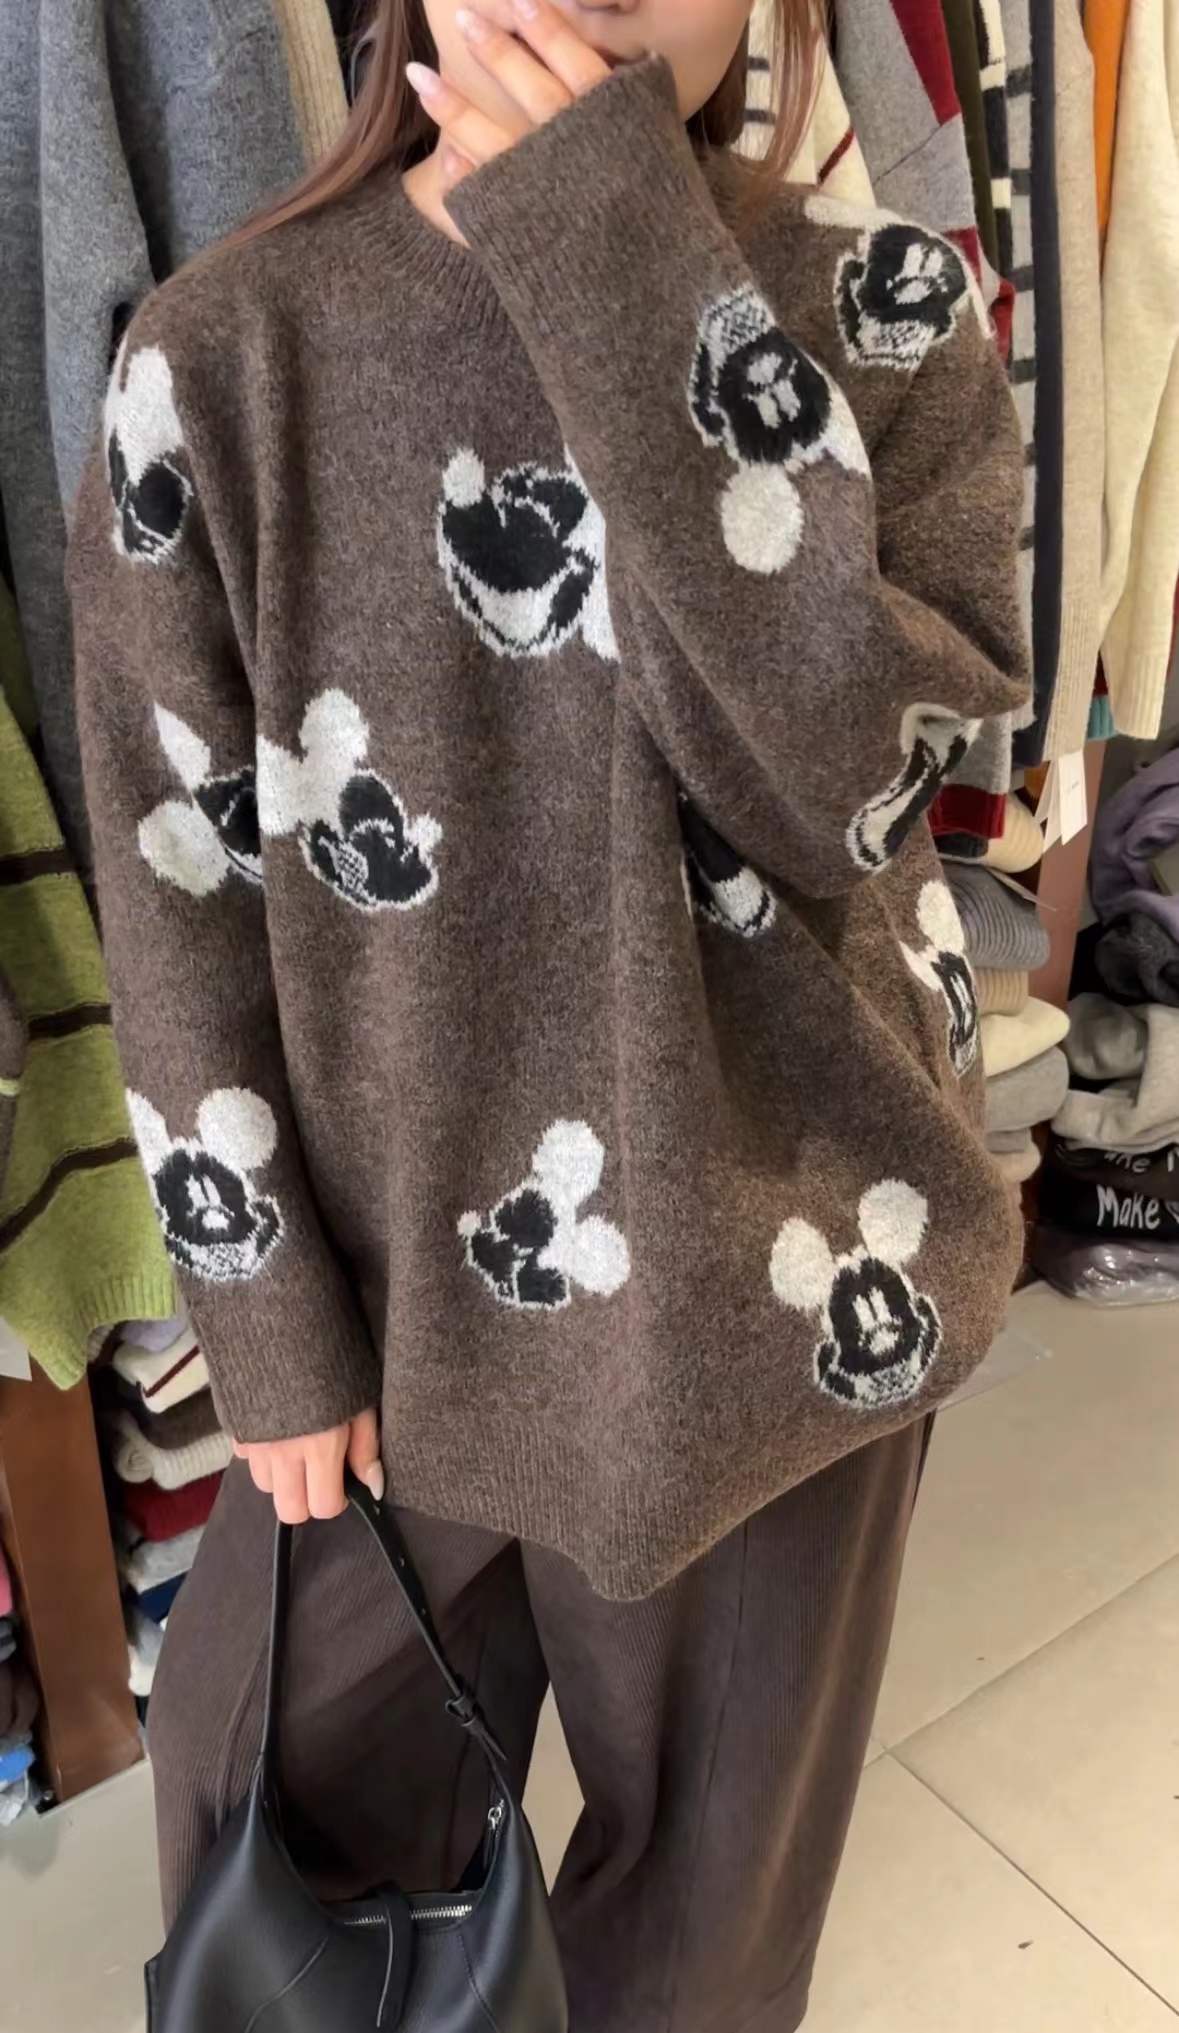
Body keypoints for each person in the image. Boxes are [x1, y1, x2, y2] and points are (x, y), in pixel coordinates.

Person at [69, 1, 1028, 2024]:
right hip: (391, 1293)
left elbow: (845, 793)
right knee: (268, 1844)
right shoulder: (222, 354)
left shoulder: (879, 303)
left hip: (782, 1287)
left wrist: (627, 271)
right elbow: (177, 896)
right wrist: (263, 1315)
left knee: (699, 1939)